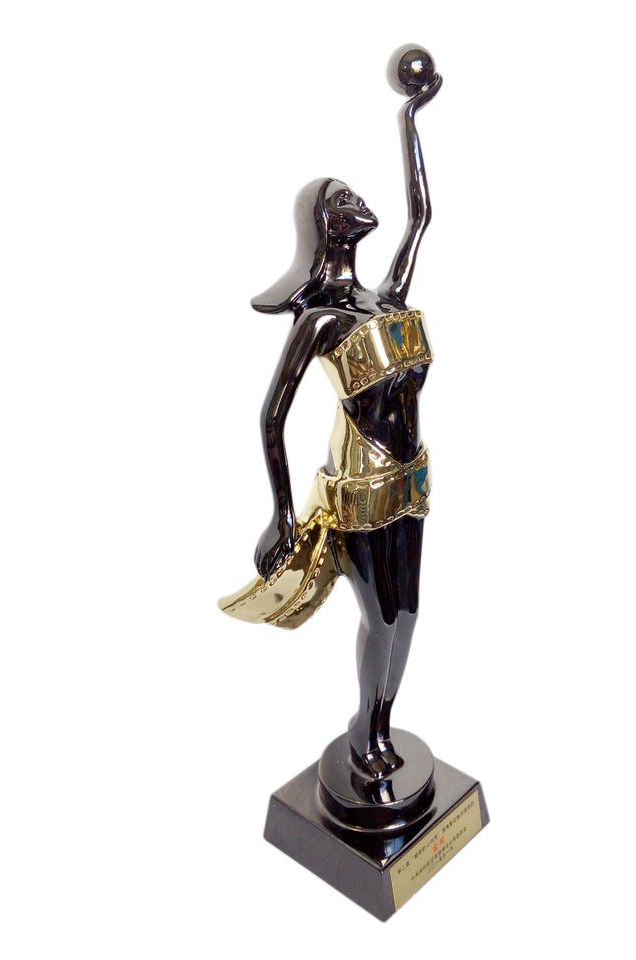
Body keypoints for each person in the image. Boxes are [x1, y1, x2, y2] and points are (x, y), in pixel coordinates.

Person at [229, 75, 442, 780]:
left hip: (412, 481)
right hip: (362, 491)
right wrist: (281, 514)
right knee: (381, 617)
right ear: (327, 226)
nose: (359, 202)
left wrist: (411, 117)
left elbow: (422, 216)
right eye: (343, 198)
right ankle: (366, 730)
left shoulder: (389, 298)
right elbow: (272, 416)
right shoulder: (321, 321)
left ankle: (378, 720)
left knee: (407, 614)